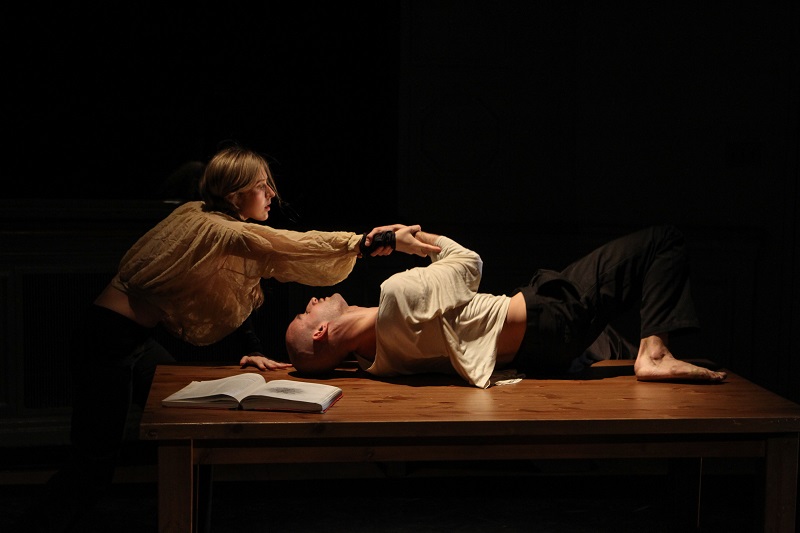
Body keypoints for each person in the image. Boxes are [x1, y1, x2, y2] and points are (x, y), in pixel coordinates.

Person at [30, 145, 440, 532]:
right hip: (107, 340)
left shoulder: (208, 217)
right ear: (235, 192)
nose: (271, 194)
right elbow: (292, 245)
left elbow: (230, 284)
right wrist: (371, 242)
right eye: (262, 186)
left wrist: (251, 349)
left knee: (193, 430)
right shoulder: (214, 228)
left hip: (130, 338)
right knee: (93, 463)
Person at [285, 225, 728, 388]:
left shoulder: (376, 362)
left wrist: (286, 364)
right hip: (549, 315)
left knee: (612, 343)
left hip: (541, 348)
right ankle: (655, 356)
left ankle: (643, 355)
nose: (311, 301)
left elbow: (319, 361)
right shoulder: (397, 299)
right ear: (322, 333)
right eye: (306, 315)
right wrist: (412, 241)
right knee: (662, 243)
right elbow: (470, 263)